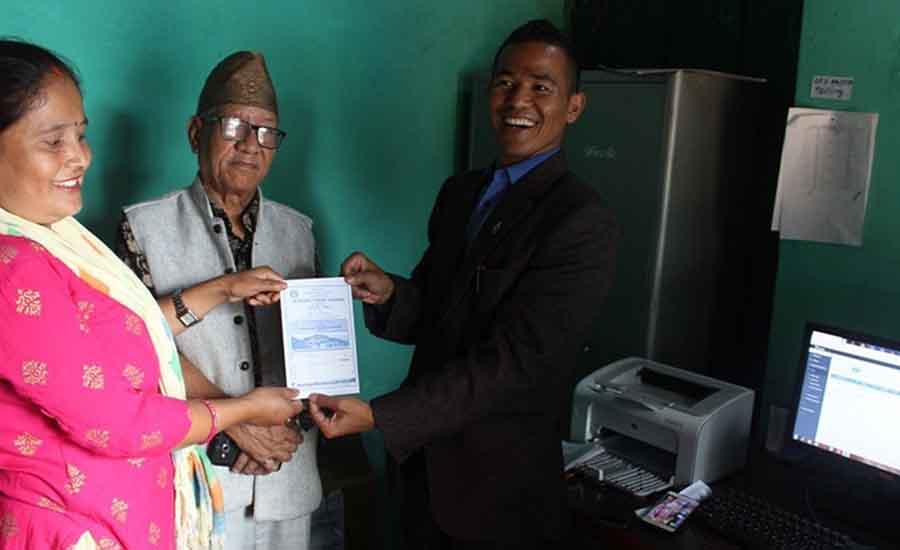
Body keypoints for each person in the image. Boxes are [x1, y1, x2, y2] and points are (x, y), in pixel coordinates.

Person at [309, 19, 618, 550]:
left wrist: (382, 415)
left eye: (541, 86)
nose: (518, 100)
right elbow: (437, 311)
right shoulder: (462, 193)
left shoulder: (580, 221)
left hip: (498, 492)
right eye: (506, 82)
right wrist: (389, 292)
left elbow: (514, 364)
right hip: (420, 472)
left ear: (573, 106)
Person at [0, 39, 304, 550]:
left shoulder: (57, 239)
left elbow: (119, 333)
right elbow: (116, 421)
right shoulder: (21, 264)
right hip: (75, 525)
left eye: (81, 135)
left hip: (155, 509)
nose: (80, 156)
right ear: (196, 133)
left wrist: (224, 288)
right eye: (53, 141)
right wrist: (242, 412)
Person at [116, 51, 322, 550]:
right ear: (196, 133)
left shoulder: (299, 230)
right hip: (194, 476)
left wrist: (279, 431)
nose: (251, 145)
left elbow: (314, 351)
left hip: (287, 466)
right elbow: (135, 348)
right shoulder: (142, 226)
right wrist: (238, 420)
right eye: (234, 126)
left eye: (266, 132)